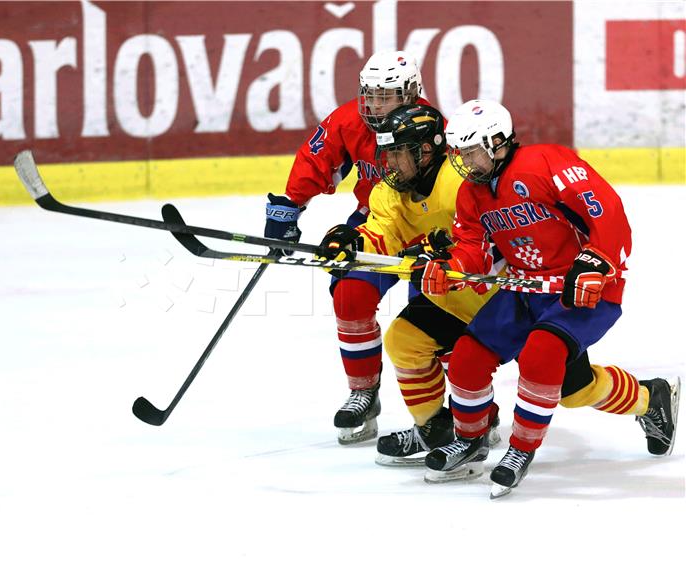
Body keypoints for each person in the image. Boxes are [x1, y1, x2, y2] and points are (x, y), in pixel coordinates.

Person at [318, 103, 671, 471]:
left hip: (537, 291)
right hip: (504, 293)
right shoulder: (447, 188)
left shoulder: (522, 169)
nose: (389, 163)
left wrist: (598, 258)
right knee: (417, 344)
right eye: (386, 153)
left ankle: (649, 398)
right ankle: (446, 432)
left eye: (397, 153)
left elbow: (603, 210)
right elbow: (452, 242)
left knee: (572, 387)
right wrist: (357, 242)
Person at [416, 99, 680, 497]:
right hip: (524, 288)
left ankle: (521, 449)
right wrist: (450, 266)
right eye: (459, 153)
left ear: (496, 141)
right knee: (469, 357)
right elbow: (474, 246)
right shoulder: (473, 193)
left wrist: (597, 261)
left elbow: (605, 210)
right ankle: (471, 440)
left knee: (543, 355)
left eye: (470, 151)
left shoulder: (544, 163)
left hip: (583, 286)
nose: (463, 162)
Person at [264, 50, 434, 444]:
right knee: (350, 294)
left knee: (434, 320)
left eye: (385, 95)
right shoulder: (349, 120)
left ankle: (464, 416)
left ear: (410, 94)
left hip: (428, 228)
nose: (373, 104)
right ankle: (363, 393)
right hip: (376, 220)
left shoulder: (432, 128)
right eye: (369, 93)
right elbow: (316, 158)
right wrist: (289, 207)